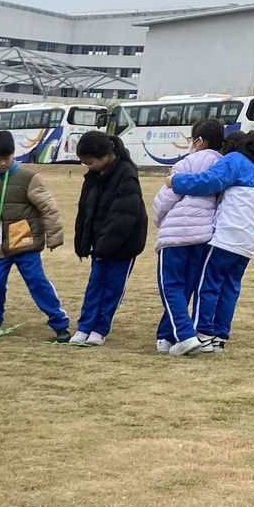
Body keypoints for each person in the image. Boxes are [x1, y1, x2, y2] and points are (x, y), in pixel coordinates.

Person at [168, 130, 254, 351]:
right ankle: (219, 336)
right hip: (249, 240)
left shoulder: (236, 160)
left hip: (227, 234)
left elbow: (209, 181)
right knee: (230, 287)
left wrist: (176, 181)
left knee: (208, 284)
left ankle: (203, 333)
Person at [0, 130, 71, 341]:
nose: (2, 163)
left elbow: (49, 208)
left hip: (25, 243)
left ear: (14, 153)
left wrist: (54, 236)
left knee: (37, 282)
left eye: (6, 157)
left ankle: (60, 323)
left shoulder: (29, 178)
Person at [150, 117, 224, 356]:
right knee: (186, 287)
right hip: (203, 235)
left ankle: (185, 335)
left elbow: (166, 197)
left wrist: (159, 219)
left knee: (170, 285)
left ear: (199, 140)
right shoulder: (223, 165)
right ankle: (165, 336)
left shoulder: (186, 163)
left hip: (176, 234)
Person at [70, 132, 148, 346]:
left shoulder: (127, 174)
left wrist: (104, 247)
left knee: (113, 288)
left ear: (105, 155)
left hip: (123, 245)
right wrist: (83, 243)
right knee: (94, 286)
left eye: (90, 162)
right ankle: (84, 327)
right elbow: (85, 211)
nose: (88, 166)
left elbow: (123, 216)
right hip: (100, 245)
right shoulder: (93, 176)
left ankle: (100, 329)